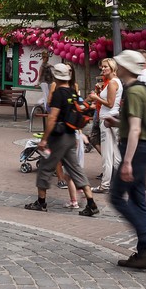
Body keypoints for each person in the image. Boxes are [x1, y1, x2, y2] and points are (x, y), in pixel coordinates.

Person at [109, 49, 146, 270]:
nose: (117, 67)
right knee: (138, 200)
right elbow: (135, 124)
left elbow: (135, 129)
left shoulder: (133, 92)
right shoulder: (141, 89)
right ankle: (145, 255)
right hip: (143, 147)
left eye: (119, 64)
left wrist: (128, 161)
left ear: (125, 68)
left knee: (116, 197)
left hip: (136, 149)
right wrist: (117, 124)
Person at [25, 63, 101, 216]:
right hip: (71, 136)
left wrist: (44, 140)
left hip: (58, 138)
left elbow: (52, 118)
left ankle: (41, 202)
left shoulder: (59, 93)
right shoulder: (73, 92)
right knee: (76, 170)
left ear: (56, 76)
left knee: (45, 168)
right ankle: (91, 203)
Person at [87, 58, 121, 191]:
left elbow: (110, 103)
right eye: (102, 67)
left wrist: (96, 98)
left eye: (105, 67)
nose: (103, 69)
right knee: (116, 155)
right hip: (112, 118)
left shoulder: (113, 83)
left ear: (112, 68)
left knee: (108, 154)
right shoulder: (115, 82)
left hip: (108, 119)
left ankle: (105, 184)